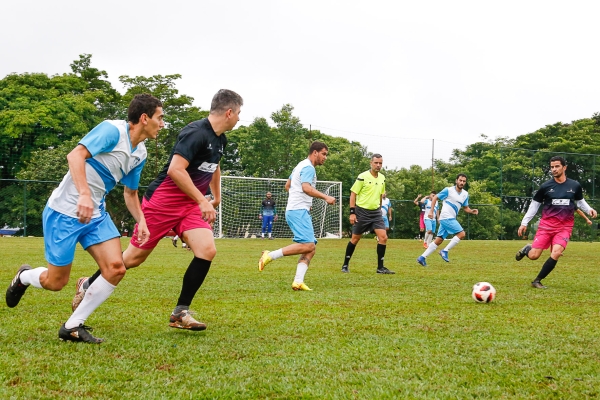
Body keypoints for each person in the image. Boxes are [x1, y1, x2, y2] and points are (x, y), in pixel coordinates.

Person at [72, 89, 243, 330]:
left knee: (207, 250)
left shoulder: (220, 139)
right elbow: (175, 170)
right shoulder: (195, 133)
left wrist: (216, 197)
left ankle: (180, 312)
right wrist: (202, 201)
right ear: (229, 112)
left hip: (189, 205)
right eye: (239, 113)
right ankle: (88, 284)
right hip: (162, 202)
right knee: (132, 259)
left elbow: (214, 166)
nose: (239, 118)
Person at [5, 94, 164, 343]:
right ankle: (24, 276)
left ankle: (72, 326)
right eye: (160, 117)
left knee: (116, 268)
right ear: (144, 118)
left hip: (96, 215)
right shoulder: (112, 131)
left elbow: (130, 192)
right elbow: (75, 156)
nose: (162, 124)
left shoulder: (140, 153)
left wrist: (141, 221)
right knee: (56, 282)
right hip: (64, 212)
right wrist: (84, 195)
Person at [257, 142, 336, 291]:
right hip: (298, 211)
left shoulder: (299, 166)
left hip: (297, 209)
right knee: (308, 245)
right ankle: (270, 255)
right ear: (315, 152)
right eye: (324, 154)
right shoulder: (309, 168)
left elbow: (288, 186)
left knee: (310, 248)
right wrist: (326, 197)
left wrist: (304, 200)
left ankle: (298, 281)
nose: (325, 157)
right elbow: (306, 188)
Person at [515, 156, 596, 289]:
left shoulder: (574, 185)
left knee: (556, 253)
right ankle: (527, 249)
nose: (554, 169)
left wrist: (589, 210)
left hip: (564, 227)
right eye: (552, 167)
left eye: (557, 166)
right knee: (534, 256)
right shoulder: (545, 187)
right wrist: (524, 223)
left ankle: (537, 281)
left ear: (564, 167)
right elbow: (534, 206)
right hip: (546, 226)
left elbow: (580, 202)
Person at [341, 154, 395, 274]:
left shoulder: (382, 178)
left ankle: (380, 268)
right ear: (371, 163)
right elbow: (353, 194)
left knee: (383, 237)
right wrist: (352, 213)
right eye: (376, 163)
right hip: (362, 212)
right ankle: (345, 265)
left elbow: (380, 195)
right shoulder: (362, 176)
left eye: (380, 163)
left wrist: (379, 209)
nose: (378, 165)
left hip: (376, 213)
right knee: (355, 239)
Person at [416, 174, 478, 266]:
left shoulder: (465, 194)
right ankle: (445, 251)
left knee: (439, 240)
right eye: (460, 180)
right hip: (446, 217)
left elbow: (465, 208)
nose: (462, 182)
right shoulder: (448, 190)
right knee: (461, 234)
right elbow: (435, 197)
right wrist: (431, 211)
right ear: (456, 180)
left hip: (450, 218)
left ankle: (422, 258)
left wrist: (472, 211)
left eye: (464, 181)